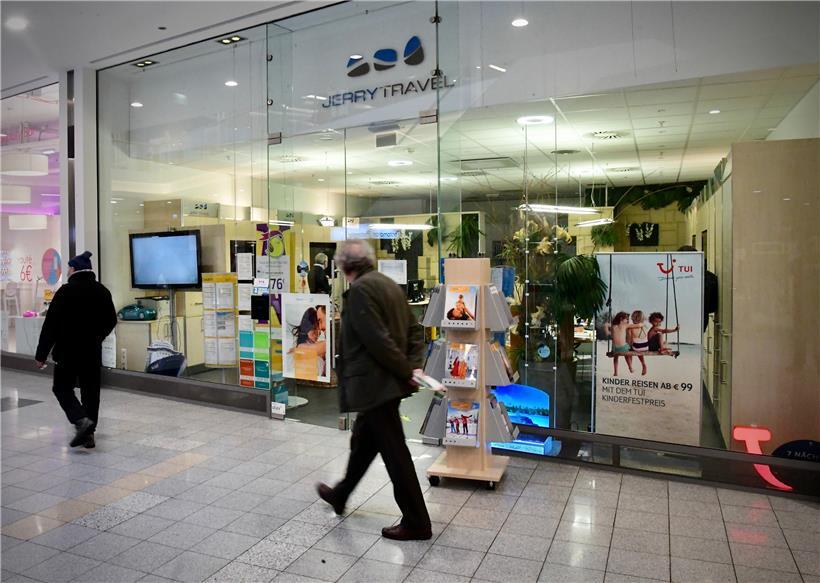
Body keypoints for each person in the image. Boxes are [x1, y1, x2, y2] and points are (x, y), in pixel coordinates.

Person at [316, 239, 431, 541]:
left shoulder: (361, 292)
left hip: (376, 386)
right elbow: (414, 329)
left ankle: (417, 521)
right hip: (385, 385)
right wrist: (413, 366)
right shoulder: (387, 284)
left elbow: (377, 341)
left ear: (342, 266)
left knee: (396, 456)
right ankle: (341, 494)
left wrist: (407, 371)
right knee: (363, 442)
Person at [35, 251, 117, 448]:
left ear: (73, 269)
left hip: (67, 352)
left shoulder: (64, 292)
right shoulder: (102, 291)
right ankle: (89, 434)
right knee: (90, 391)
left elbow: (50, 326)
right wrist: (97, 338)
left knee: (62, 387)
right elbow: (111, 320)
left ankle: (81, 420)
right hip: (91, 352)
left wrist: (41, 354)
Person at [678, 245, 718, 333]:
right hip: (699, 323)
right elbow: (713, 306)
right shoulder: (710, 277)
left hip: (676, 322)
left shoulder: (673, 277)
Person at [608, 311, 644, 376]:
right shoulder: (625, 325)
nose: (627, 320)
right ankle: (630, 366)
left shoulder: (613, 326)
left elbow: (611, 334)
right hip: (623, 348)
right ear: (621, 319)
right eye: (626, 319)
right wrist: (642, 324)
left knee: (616, 357)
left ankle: (615, 372)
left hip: (615, 349)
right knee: (627, 353)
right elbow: (638, 325)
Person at [627, 310, 649, 376]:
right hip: (646, 347)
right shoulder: (645, 326)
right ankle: (643, 364)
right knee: (639, 348)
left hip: (637, 347)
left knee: (628, 349)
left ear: (633, 318)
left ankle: (630, 366)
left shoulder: (631, 328)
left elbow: (630, 341)